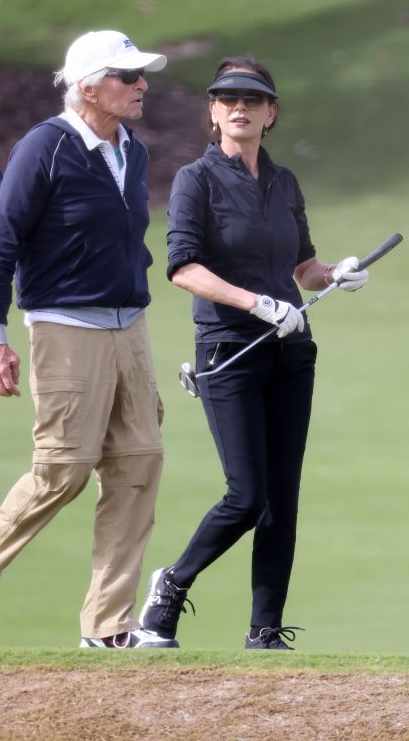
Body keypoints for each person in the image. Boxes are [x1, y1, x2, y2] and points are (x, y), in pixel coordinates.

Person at [0, 29, 178, 650]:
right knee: (65, 468)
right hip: (65, 327)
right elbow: (2, 247)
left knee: (138, 464)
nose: (141, 85)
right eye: (128, 78)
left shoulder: (135, 151)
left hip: (132, 327)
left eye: (140, 75)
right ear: (88, 86)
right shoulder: (43, 149)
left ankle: (108, 627)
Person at [139, 55, 369, 650]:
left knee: (281, 501)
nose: (239, 106)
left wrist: (336, 272)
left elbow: (303, 268)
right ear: (212, 112)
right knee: (247, 494)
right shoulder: (197, 179)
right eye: (226, 98)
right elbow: (183, 268)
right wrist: (257, 304)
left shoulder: (284, 182)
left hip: (290, 353)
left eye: (252, 99)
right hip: (229, 351)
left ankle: (265, 631)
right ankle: (170, 587)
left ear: (271, 114)